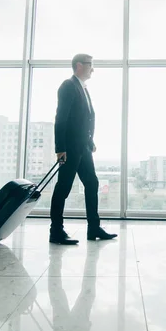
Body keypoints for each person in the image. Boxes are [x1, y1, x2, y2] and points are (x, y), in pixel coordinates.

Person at [49, 54, 117, 245]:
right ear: (79, 66)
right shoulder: (68, 86)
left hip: (83, 147)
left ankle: (93, 228)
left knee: (92, 183)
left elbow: (85, 118)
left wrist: (90, 140)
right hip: (70, 148)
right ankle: (56, 232)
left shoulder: (82, 88)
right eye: (90, 65)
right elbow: (61, 118)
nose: (92, 69)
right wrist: (60, 148)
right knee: (63, 188)